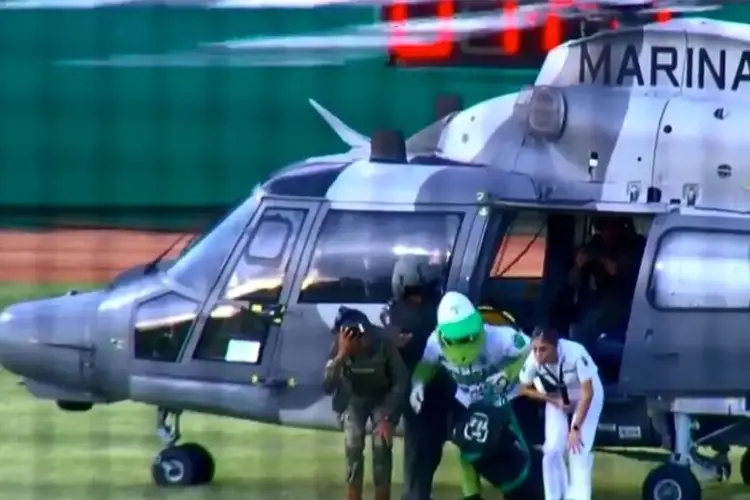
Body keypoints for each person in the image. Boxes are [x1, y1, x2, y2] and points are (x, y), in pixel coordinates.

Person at [409, 291, 535, 500]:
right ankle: (472, 496)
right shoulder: (435, 342)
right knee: (468, 450)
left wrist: (509, 373)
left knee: (510, 453)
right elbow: (427, 365)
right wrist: (418, 384)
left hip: (506, 400)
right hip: (469, 401)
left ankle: (521, 492)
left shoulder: (499, 336)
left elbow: (532, 350)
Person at [381, 255, 450, 500]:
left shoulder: (397, 311)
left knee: (426, 450)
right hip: (421, 390)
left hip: (430, 390)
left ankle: (417, 494)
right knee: (421, 449)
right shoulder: (427, 311)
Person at [323, 307, 409, 500]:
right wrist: (341, 356)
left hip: (382, 397)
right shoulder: (340, 347)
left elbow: (401, 382)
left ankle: (382, 495)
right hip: (353, 398)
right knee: (353, 445)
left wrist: (388, 417)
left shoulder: (384, 343)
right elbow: (327, 386)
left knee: (381, 446)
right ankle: (353, 494)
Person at [518, 326, 604, 500]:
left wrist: (575, 428)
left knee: (577, 448)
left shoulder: (576, 353)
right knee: (551, 450)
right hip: (558, 395)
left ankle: (579, 496)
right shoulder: (533, 361)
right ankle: (554, 496)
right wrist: (553, 400)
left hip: (586, 393)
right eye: (535, 349)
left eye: (543, 349)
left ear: (555, 346)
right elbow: (524, 388)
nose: (538, 354)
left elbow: (588, 394)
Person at [569, 215, 646, 347]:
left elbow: (616, 269)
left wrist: (602, 260)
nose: (605, 233)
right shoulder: (595, 244)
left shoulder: (635, 244)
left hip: (630, 297)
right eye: (602, 229)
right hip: (601, 296)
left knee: (604, 311)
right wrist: (579, 265)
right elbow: (573, 280)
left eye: (609, 227)